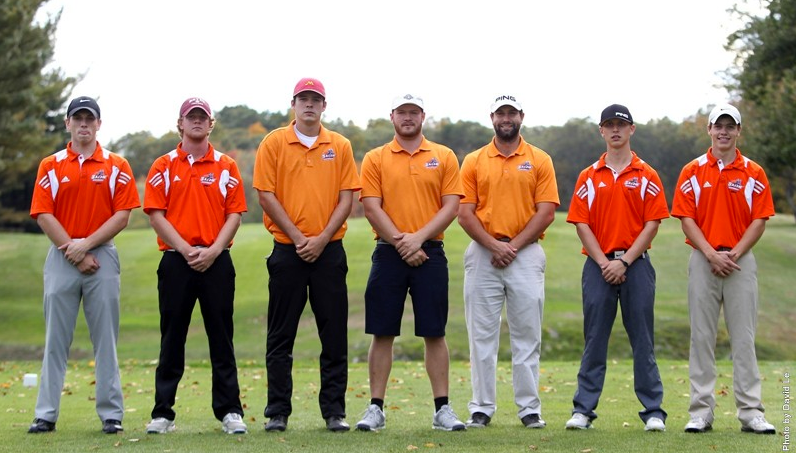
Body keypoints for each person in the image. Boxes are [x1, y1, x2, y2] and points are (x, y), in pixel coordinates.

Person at [28, 96, 140, 434]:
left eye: (89, 119)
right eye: (77, 119)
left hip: (101, 254)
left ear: (99, 124)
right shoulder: (51, 164)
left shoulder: (116, 165)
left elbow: (122, 215)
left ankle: (111, 414)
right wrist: (71, 249)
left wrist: (86, 246)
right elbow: (43, 213)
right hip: (61, 255)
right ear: (68, 124)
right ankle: (45, 413)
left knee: (105, 338)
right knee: (55, 341)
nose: (83, 125)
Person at [253, 77, 360, 432]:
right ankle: (277, 412)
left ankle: (334, 412)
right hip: (287, 250)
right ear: (293, 104)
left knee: (334, 334)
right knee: (280, 336)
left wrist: (322, 237)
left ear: (324, 106)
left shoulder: (340, 145)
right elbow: (266, 195)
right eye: (304, 99)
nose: (310, 104)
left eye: (316, 99)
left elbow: (347, 197)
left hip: (329, 252)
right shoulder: (274, 143)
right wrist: (300, 238)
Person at [355, 94, 466, 432]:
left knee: (434, 331)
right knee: (382, 330)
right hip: (389, 252)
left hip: (430, 251)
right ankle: (375, 408)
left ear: (422, 116)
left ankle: (442, 409)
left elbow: (451, 207)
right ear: (392, 117)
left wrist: (417, 239)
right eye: (401, 112)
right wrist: (404, 243)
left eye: (413, 112)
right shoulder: (376, 157)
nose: (407, 117)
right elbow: (372, 206)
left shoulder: (443, 156)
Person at [142, 97, 248, 435]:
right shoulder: (163, 165)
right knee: (172, 338)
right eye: (192, 117)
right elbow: (156, 214)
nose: (197, 122)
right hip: (176, 260)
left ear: (211, 124)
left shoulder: (226, 165)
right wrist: (187, 249)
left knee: (222, 337)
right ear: (181, 124)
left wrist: (214, 250)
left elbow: (234, 214)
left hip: (217, 260)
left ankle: (230, 411)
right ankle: (163, 413)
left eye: (203, 117)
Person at [671, 103, 776, 435]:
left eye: (731, 127)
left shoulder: (753, 172)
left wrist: (734, 254)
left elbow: (759, 220)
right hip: (703, 260)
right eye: (719, 126)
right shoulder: (692, 170)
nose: (724, 132)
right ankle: (701, 412)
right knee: (701, 337)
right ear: (710, 130)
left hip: (740, 262)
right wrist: (711, 254)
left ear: (738, 131)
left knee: (743, 338)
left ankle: (751, 412)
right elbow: (686, 220)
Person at [565, 104, 669, 432]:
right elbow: (581, 223)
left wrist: (623, 261)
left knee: (643, 339)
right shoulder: (588, 176)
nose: (615, 130)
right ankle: (583, 410)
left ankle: (653, 410)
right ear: (601, 131)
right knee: (594, 338)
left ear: (631, 130)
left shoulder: (646, 174)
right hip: (597, 265)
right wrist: (604, 262)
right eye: (609, 125)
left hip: (635, 265)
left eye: (621, 125)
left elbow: (652, 224)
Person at [458, 94, 559, 429]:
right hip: (483, 252)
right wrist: (493, 245)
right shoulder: (474, 160)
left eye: (511, 113)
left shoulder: (539, 159)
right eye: (500, 113)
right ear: (492, 118)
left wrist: (512, 247)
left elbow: (546, 212)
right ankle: (482, 408)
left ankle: (529, 409)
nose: (506, 118)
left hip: (525, 253)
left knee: (526, 335)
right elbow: (464, 212)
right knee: (481, 337)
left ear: (521, 116)